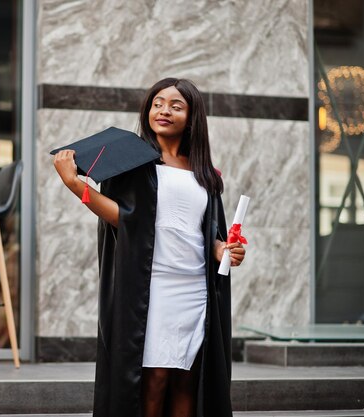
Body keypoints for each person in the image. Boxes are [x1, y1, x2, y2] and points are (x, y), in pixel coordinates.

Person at [53, 77, 246, 417]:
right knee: (153, 379)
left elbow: (204, 232)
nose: (164, 111)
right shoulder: (136, 164)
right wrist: (75, 185)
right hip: (151, 287)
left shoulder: (206, 174)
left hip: (193, 290)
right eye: (158, 103)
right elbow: (124, 220)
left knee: (187, 379)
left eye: (176, 105)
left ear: (192, 116)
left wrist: (221, 249)